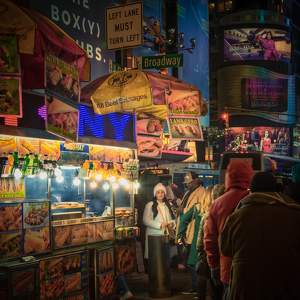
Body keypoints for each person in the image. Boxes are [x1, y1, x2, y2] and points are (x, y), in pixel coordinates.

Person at [219, 172, 300, 300]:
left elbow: (225, 249)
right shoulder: (295, 214)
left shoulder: (236, 217)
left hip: (245, 285)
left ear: (251, 190)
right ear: (276, 189)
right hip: (286, 284)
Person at [203, 160, 254, 290]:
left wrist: (214, 266)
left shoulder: (218, 204)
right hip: (255, 269)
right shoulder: (255, 199)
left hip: (228, 267)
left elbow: (210, 239)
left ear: (228, 176)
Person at [177, 186, 213, 299]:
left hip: (198, 244)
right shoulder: (217, 208)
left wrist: (181, 235)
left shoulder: (197, 207)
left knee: (200, 272)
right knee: (213, 272)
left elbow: (184, 220)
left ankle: (199, 294)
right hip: (213, 243)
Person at [174, 172, 206, 295]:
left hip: (194, 230)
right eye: (186, 183)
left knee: (194, 259)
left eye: (189, 182)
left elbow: (199, 210)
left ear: (196, 180)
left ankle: (196, 287)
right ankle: (195, 286)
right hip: (187, 230)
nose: (187, 185)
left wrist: (183, 210)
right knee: (190, 259)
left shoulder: (202, 193)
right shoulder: (188, 193)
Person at [196, 184, 225, 300]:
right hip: (224, 255)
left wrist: (199, 249)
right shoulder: (229, 214)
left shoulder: (207, 215)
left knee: (207, 278)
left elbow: (201, 238)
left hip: (210, 254)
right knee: (220, 286)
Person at [143, 183, 176, 260]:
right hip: (155, 236)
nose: (160, 194)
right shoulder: (150, 205)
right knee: (156, 258)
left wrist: (172, 223)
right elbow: (145, 220)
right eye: (158, 192)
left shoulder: (169, 205)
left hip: (167, 236)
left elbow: (175, 218)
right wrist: (160, 225)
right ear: (155, 194)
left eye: (162, 192)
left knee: (165, 258)